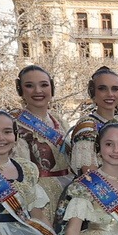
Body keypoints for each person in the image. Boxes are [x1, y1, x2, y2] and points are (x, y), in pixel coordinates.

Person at [12, 64, 74, 210]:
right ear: (20, 90)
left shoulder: (60, 121)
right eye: (29, 86)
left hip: (68, 192)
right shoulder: (14, 123)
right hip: (39, 195)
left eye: (44, 85)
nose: (38, 91)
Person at [70, 66, 118, 171]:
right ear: (93, 93)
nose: (110, 94)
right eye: (102, 89)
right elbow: (89, 175)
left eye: (115, 89)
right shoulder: (87, 127)